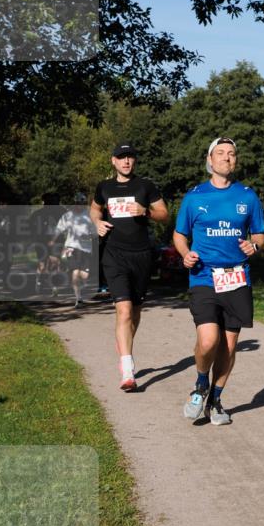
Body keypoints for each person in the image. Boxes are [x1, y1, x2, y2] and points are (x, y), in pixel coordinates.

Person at [173, 137, 264, 426]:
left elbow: (260, 234)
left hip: (237, 278)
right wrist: (185, 253)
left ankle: (215, 399)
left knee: (228, 345)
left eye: (232, 154)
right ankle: (200, 384)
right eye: (221, 153)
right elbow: (179, 235)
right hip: (203, 276)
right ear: (210, 160)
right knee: (209, 339)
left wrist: (255, 246)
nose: (227, 158)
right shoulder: (194, 197)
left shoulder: (248, 197)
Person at [90, 143, 169, 391]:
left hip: (141, 255)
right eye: (121, 157)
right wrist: (97, 223)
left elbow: (164, 213)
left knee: (134, 312)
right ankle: (127, 370)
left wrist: (146, 211)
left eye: (130, 157)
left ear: (134, 162)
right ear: (113, 161)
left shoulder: (145, 186)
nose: (126, 161)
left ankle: (124, 343)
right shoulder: (104, 187)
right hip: (114, 254)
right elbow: (94, 210)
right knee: (123, 310)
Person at [53, 194, 94, 307]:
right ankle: (78, 298)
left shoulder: (90, 215)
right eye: (77, 203)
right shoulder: (68, 216)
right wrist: (53, 240)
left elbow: (95, 232)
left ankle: (71, 282)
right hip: (71, 247)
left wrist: (90, 236)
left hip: (86, 249)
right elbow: (59, 228)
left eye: (82, 204)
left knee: (84, 275)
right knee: (75, 272)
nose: (79, 206)